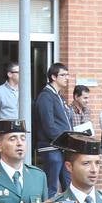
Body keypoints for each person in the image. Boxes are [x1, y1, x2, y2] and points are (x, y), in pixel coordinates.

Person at [34, 63, 73, 195]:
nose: (67, 78)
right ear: (53, 77)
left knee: (68, 185)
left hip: (62, 148)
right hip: (51, 148)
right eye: (63, 75)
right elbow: (48, 126)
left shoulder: (58, 96)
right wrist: (66, 140)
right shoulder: (46, 96)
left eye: (67, 75)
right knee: (51, 188)